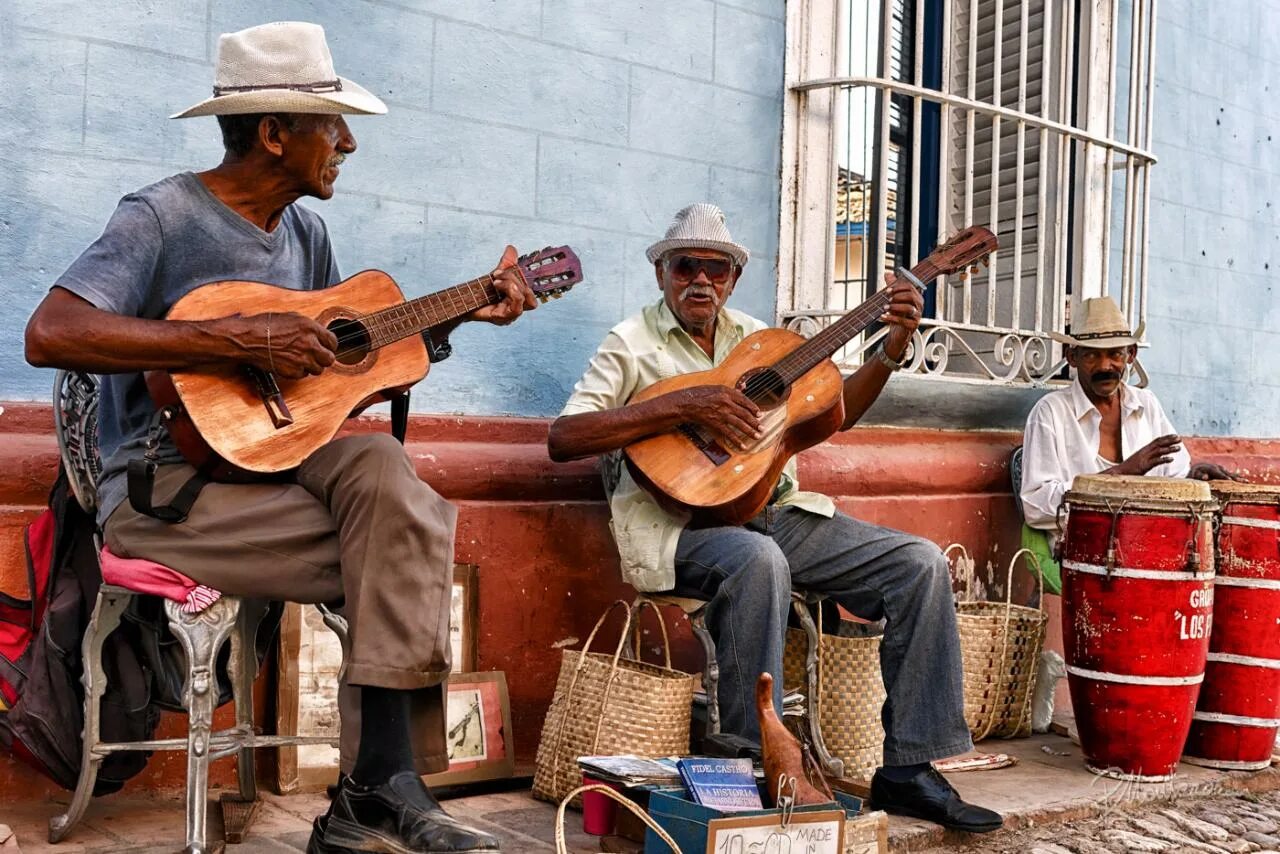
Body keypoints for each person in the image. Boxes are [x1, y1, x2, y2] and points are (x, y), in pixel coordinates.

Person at [23, 22, 535, 854]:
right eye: (333, 126)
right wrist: (230, 340)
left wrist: (461, 314)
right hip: (165, 493)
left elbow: (325, 381)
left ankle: (376, 789)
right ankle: (377, 788)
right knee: (405, 546)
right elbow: (51, 332)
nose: (349, 144)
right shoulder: (160, 216)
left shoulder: (306, 238)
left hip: (270, 477)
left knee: (382, 466)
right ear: (273, 133)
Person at [547, 203, 1002, 833]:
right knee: (758, 561)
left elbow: (834, 410)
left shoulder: (760, 342)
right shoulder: (631, 342)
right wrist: (686, 402)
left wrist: (891, 351)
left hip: (774, 511)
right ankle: (746, 760)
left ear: (732, 280)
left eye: (716, 268)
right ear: (662, 275)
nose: (700, 280)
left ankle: (908, 769)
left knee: (918, 563)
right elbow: (565, 436)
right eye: (685, 267)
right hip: (674, 528)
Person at [1020, 296, 1238, 544]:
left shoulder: (1147, 405)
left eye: (1115, 354)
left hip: (1149, 543)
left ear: (1131, 354)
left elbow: (1174, 478)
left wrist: (1192, 478)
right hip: (1081, 551)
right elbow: (1035, 506)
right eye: (1091, 356)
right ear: (1072, 357)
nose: (1105, 366)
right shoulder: (1049, 413)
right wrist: (1121, 473)